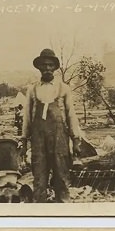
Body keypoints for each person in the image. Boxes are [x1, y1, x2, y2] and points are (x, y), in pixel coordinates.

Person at [18, 48, 83, 203]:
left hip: (59, 139)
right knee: (39, 177)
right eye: (44, 65)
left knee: (61, 175)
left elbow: (71, 115)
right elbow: (27, 117)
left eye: (50, 65)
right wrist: (24, 141)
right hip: (38, 141)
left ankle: (63, 210)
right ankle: (40, 212)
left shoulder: (63, 88)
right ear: (39, 67)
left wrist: (76, 141)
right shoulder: (32, 89)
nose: (47, 68)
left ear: (54, 67)